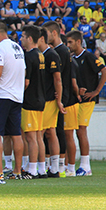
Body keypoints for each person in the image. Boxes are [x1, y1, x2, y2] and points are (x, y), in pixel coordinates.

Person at [0, 20, 26, 180]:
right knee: (15, 134)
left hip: (2, 95)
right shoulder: (17, 47)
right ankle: (17, 171)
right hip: (16, 95)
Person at [68, 30, 106, 176]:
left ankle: (86, 166)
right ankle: (72, 165)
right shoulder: (72, 58)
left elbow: (105, 72)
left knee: (81, 130)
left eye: (70, 42)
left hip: (87, 100)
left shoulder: (89, 56)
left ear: (78, 42)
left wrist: (96, 91)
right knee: (72, 131)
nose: (68, 45)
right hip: (76, 99)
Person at [46, 21, 75, 177]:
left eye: (47, 33)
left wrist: (60, 97)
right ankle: (56, 166)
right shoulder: (59, 51)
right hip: (61, 95)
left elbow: (60, 77)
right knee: (54, 131)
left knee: (57, 130)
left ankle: (60, 166)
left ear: (54, 33)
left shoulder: (61, 52)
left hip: (60, 97)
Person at [19, 26, 46, 180]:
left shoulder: (29, 56)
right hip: (41, 99)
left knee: (30, 137)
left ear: (29, 38)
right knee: (37, 137)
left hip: (30, 100)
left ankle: (32, 170)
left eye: (23, 36)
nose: (21, 39)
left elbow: (26, 82)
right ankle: (41, 169)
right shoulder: (41, 55)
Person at [38, 27, 64, 177]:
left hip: (49, 100)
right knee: (49, 132)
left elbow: (57, 79)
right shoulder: (42, 54)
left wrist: (59, 100)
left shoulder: (51, 55)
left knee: (43, 133)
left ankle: (47, 167)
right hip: (44, 99)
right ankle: (53, 168)